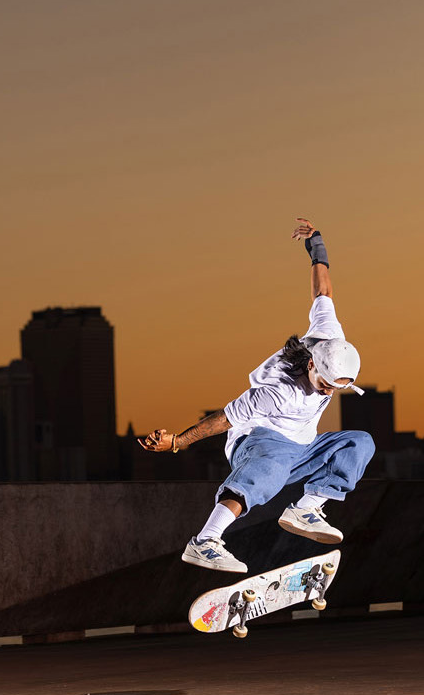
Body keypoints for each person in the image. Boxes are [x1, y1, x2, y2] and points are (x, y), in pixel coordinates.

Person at [139, 218, 376, 572]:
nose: (329, 391)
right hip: (256, 443)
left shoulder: (328, 334)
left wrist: (317, 244)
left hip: (301, 448)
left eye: (336, 387)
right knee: (272, 466)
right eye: (326, 384)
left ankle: (306, 508)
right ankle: (205, 542)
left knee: (359, 443)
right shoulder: (276, 391)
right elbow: (223, 419)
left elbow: (323, 292)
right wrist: (177, 442)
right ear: (311, 364)